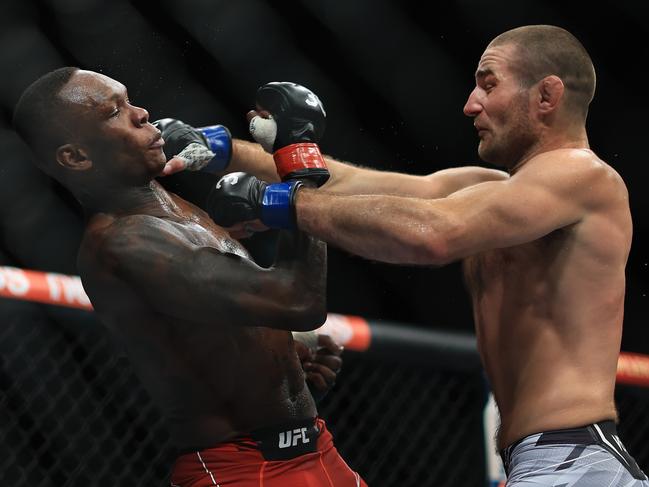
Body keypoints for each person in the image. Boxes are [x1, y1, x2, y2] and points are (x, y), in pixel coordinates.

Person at [196, 25, 647, 486]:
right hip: (549, 461)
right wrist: (219, 151)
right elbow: (351, 185)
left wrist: (279, 204)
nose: (471, 104)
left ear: (547, 96)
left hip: (571, 462)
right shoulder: (490, 189)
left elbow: (433, 233)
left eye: (489, 84)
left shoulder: (585, 177)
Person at [12, 67, 366, 487]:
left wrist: (284, 363)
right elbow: (298, 300)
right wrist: (299, 161)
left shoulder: (174, 209)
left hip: (314, 449)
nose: (142, 114)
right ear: (77, 157)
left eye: (130, 101)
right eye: (113, 113)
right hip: (245, 471)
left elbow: (242, 317)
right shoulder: (125, 243)